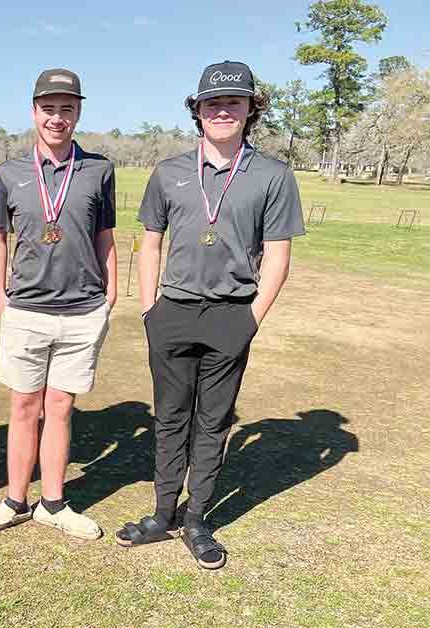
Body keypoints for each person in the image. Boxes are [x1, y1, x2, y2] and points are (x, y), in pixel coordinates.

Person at [115, 61, 305, 570]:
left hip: (231, 315)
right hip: (172, 312)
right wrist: (149, 307)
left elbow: (278, 255)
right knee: (170, 419)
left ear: (250, 110)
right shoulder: (170, 172)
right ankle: (161, 515)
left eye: (234, 103)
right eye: (212, 104)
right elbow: (150, 242)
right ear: (197, 111)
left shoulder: (273, 174)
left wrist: (252, 318)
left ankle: (196, 519)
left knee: (213, 422)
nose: (223, 111)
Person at [0, 69, 117, 539]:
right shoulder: (10, 173)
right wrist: (1, 298)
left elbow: (105, 238)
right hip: (27, 309)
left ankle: (52, 503)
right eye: (49, 109)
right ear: (34, 112)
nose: (57, 118)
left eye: (67, 109)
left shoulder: (99, 170)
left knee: (60, 408)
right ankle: (16, 500)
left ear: (78, 112)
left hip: (81, 311)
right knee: (23, 406)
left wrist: (108, 297)